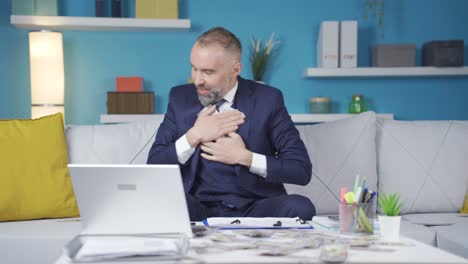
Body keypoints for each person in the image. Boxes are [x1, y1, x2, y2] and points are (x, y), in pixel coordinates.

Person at [147, 27, 315, 221]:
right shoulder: (180, 98)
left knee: (300, 207)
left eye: (208, 72)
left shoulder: (268, 99)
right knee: (163, 200)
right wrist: (193, 136)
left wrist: (245, 157)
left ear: (235, 69)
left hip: (256, 207)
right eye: (194, 68)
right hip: (198, 206)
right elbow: (154, 164)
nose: (197, 80)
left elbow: (300, 170)